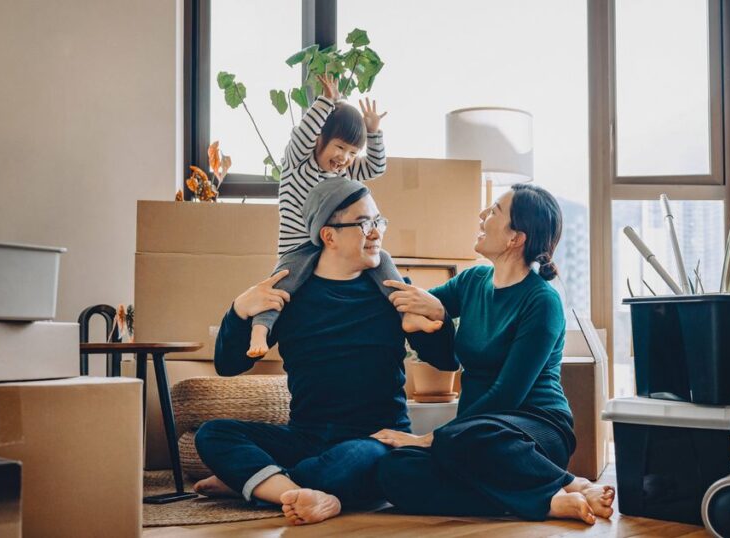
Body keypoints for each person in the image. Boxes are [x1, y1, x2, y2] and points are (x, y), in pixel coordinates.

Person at [192, 179, 458, 526]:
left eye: (379, 221)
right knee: (212, 433)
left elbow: (446, 360)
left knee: (349, 463)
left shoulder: (393, 292)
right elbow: (228, 365)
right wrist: (240, 310)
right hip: (305, 435)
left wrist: (438, 317)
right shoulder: (290, 295)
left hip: (375, 437)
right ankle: (298, 490)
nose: (376, 233)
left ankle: (263, 483)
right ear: (328, 236)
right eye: (365, 224)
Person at [371, 184, 616, 524]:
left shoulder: (542, 302)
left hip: (532, 429)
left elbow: (507, 394)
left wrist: (429, 438)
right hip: (472, 433)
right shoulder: (473, 281)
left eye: (495, 211)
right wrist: (434, 313)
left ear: (516, 237)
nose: (483, 215)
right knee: (394, 471)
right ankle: (548, 501)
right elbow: (425, 317)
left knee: (465, 437)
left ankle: (568, 483)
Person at [248, 73, 438, 359]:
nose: (344, 157)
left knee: (382, 260)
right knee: (277, 288)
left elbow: (375, 167)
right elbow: (301, 137)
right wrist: (326, 103)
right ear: (320, 139)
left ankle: (405, 316)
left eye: (352, 152)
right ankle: (259, 331)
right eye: (339, 147)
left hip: (332, 248)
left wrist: (373, 132)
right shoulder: (298, 165)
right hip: (298, 249)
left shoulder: (344, 173)